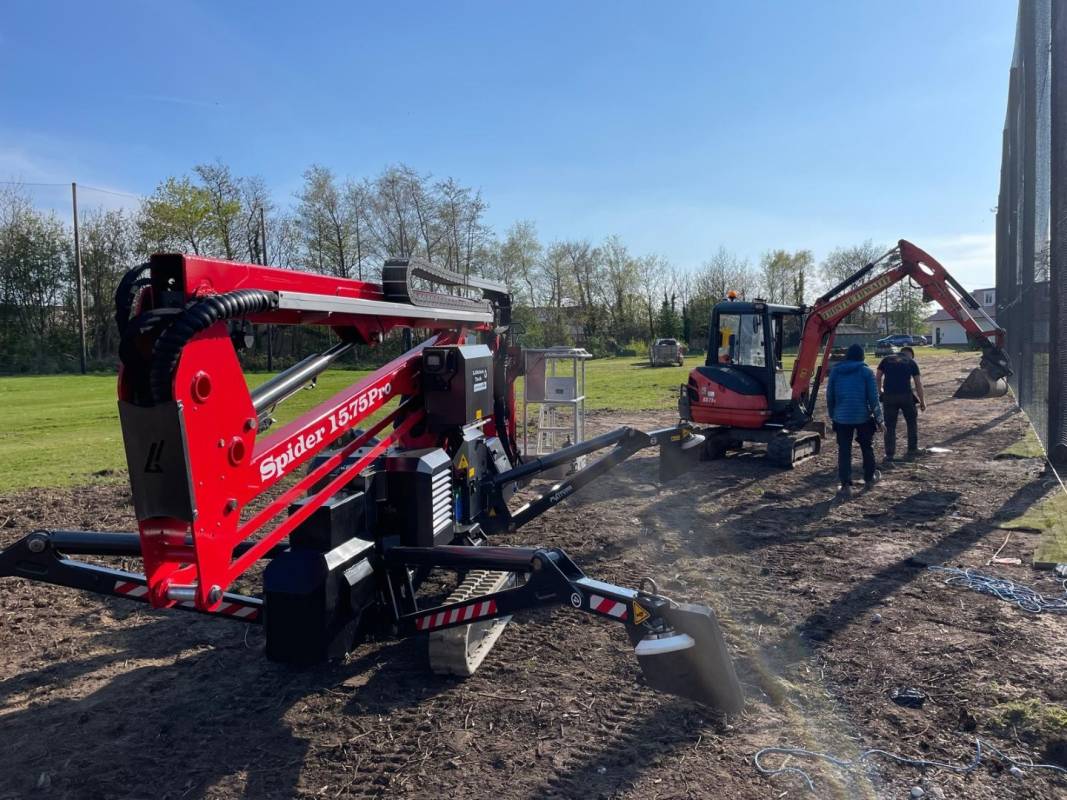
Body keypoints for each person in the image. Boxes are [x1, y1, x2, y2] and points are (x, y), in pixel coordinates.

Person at [826, 343, 884, 498]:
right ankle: (869, 477)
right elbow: (873, 398)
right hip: (862, 416)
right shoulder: (866, 372)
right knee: (867, 447)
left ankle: (845, 485)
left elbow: (830, 396)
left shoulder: (836, 372)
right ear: (862, 356)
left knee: (844, 451)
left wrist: (833, 415)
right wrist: (880, 419)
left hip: (842, 417)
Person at [877, 345, 926, 463]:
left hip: (889, 396)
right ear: (910, 354)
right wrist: (922, 401)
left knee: (890, 426)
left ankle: (889, 454)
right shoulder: (911, 362)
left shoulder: (886, 359)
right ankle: (912, 449)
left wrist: (880, 392)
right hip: (906, 396)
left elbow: (878, 377)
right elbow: (918, 383)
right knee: (911, 422)